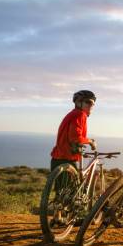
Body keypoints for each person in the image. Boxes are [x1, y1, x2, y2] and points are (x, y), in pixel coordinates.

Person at [49, 90, 97, 225]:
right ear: (79, 103)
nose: (90, 106)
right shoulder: (80, 115)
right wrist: (91, 141)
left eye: (92, 104)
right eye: (88, 102)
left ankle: (57, 217)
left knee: (61, 190)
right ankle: (71, 218)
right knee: (72, 191)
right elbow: (75, 137)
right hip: (67, 158)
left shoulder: (71, 114)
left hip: (57, 156)